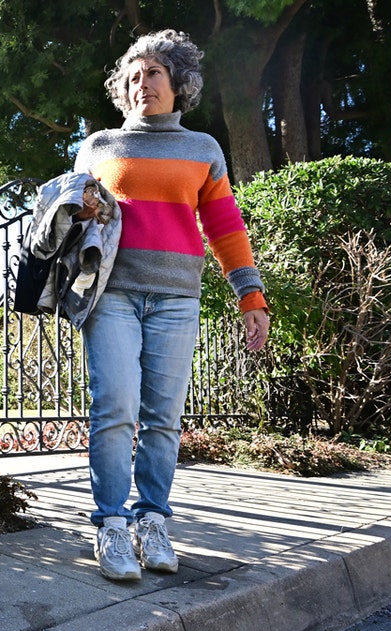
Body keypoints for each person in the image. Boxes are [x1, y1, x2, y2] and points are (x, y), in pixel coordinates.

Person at [72, 29, 270, 581]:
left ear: (178, 83)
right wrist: (80, 211)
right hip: (111, 295)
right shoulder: (99, 147)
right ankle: (110, 526)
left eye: (154, 73)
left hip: (178, 300)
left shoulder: (203, 149)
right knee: (115, 408)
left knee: (163, 418)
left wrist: (249, 295)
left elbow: (226, 227)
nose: (143, 85)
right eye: (133, 77)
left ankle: (152, 520)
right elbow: (65, 215)